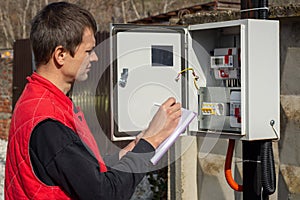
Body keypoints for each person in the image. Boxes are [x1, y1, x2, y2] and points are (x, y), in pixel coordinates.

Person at [4, 2, 181, 200]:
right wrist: (151, 142)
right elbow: (105, 193)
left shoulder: (38, 99)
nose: (95, 58)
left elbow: (79, 171)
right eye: (88, 51)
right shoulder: (48, 122)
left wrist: (135, 147)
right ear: (61, 55)